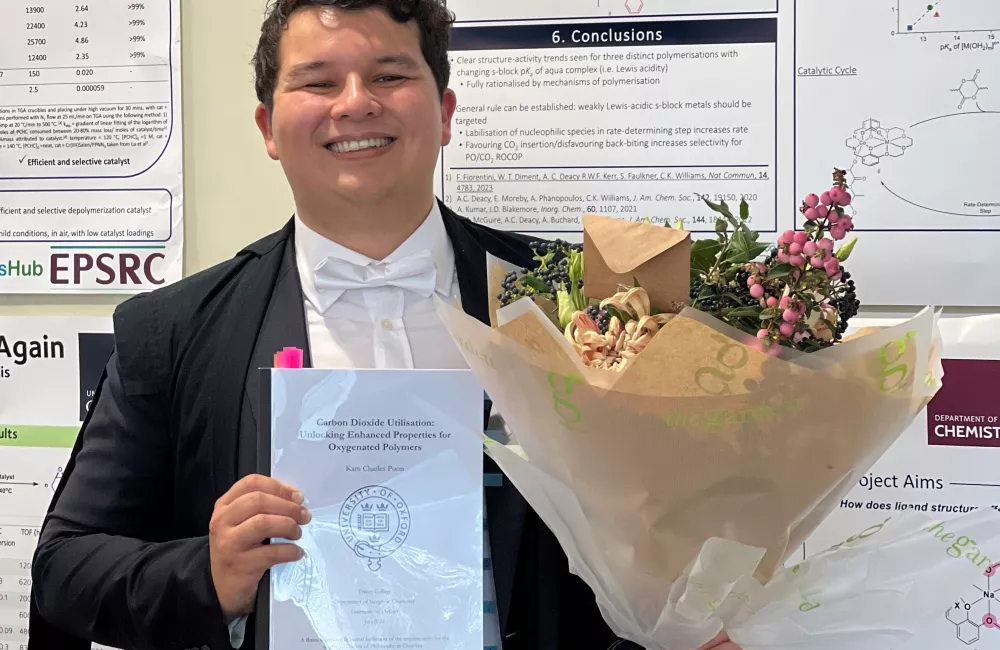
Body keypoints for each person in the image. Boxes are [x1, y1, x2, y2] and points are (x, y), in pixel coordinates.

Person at [27, 2, 741, 649]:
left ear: (447, 111)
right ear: (267, 128)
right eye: (318, 82)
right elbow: (66, 566)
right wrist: (210, 572)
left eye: (389, 74)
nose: (356, 104)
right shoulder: (172, 330)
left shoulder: (585, 301)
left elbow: (682, 517)